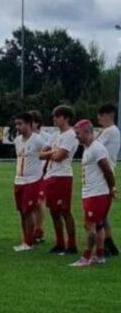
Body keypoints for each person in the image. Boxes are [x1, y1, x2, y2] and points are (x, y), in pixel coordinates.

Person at [70, 120, 116, 267]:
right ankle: (100, 256)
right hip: (92, 193)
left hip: (96, 194)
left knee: (89, 226)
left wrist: (112, 187)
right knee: (99, 225)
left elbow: (107, 170)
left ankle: (86, 257)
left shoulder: (97, 149)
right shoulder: (87, 148)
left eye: (78, 133)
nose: (76, 136)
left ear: (87, 132)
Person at [39, 105, 79, 255]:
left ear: (66, 118)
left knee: (65, 211)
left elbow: (59, 156)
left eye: (57, 116)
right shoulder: (54, 135)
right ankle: (60, 243)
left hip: (62, 176)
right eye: (54, 116)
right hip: (50, 175)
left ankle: (72, 245)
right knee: (53, 211)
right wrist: (52, 152)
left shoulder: (70, 135)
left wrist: (51, 153)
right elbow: (41, 154)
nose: (54, 119)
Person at [12, 112, 46, 252]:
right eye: (16, 124)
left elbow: (47, 154)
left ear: (29, 124)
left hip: (33, 180)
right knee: (21, 211)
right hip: (18, 180)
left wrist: (42, 173)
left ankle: (29, 242)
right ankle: (25, 239)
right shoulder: (17, 140)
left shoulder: (38, 140)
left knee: (28, 211)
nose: (18, 127)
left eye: (20, 124)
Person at [96, 103, 120, 256]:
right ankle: (110, 245)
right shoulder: (108, 131)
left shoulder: (110, 131)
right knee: (102, 214)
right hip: (102, 175)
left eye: (100, 115)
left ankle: (104, 246)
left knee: (99, 213)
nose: (98, 118)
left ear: (108, 115)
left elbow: (93, 147)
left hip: (104, 176)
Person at [29, 110, 47, 244]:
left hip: (42, 174)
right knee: (31, 204)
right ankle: (32, 230)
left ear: (37, 123)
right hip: (28, 176)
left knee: (39, 202)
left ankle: (39, 230)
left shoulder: (45, 137)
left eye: (32, 121)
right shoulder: (25, 137)